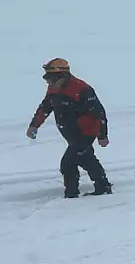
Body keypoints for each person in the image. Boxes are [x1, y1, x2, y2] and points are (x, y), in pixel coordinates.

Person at [26, 58, 112, 198]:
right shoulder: (54, 88)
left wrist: (103, 136)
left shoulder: (82, 89)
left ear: (63, 76)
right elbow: (45, 107)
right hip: (70, 132)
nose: (48, 82)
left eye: (51, 78)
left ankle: (71, 194)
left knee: (68, 162)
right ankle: (102, 186)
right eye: (47, 78)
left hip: (85, 132)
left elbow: (99, 113)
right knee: (86, 158)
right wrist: (34, 125)